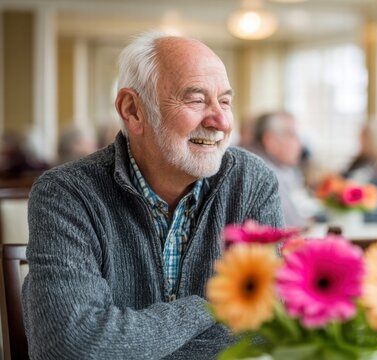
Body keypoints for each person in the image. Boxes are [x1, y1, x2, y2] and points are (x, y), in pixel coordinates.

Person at [22, 32, 283, 359]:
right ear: (133, 110)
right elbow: (73, 348)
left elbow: (272, 326)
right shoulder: (66, 192)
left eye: (225, 101)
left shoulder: (251, 182)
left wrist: (132, 343)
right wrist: (205, 310)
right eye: (197, 99)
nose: (221, 120)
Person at [252, 111, 320, 228]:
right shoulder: (266, 173)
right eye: (292, 135)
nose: (300, 144)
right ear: (270, 140)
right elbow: (296, 226)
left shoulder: (281, 168)